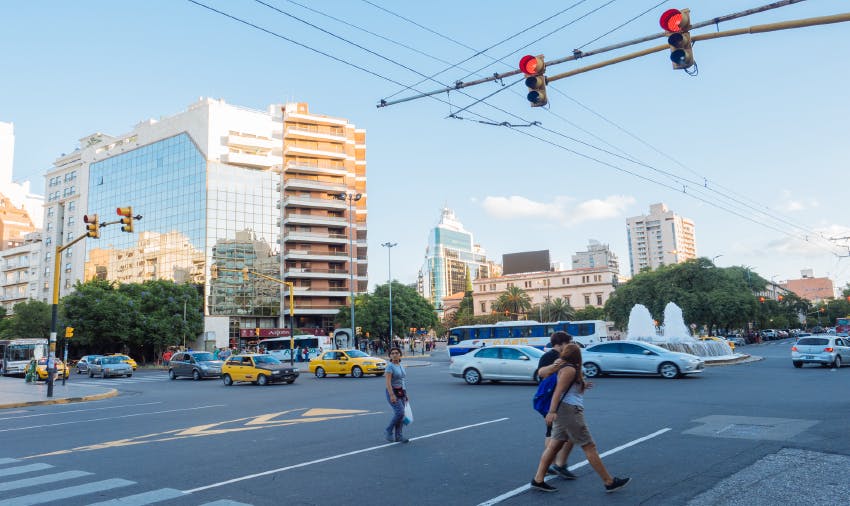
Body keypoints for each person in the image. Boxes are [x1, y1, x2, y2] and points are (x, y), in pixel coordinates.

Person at [531, 343, 630, 493]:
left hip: (565, 411)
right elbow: (558, 392)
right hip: (569, 412)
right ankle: (609, 482)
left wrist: (582, 385)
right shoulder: (569, 369)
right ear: (577, 355)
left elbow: (565, 387)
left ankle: (538, 480)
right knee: (589, 446)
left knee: (554, 446)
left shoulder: (566, 367)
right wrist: (551, 412)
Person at [535, 331, 577, 480]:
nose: (569, 346)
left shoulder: (563, 356)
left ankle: (552, 465)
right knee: (558, 433)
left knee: (554, 433)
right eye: (567, 343)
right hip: (550, 400)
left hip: (559, 401)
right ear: (559, 345)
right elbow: (541, 374)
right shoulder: (549, 357)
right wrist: (554, 366)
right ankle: (558, 465)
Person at [384, 347, 410, 443]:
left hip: (401, 392)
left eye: (396, 353)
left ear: (400, 355)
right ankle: (388, 430)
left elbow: (402, 380)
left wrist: (405, 394)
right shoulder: (390, 366)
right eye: (392, 353)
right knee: (400, 412)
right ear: (390, 356)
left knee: (401, 414)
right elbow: (387, 382)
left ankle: (399, 436)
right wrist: (391, 395)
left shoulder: (400, 366)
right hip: (392, 391)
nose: (394, 354)